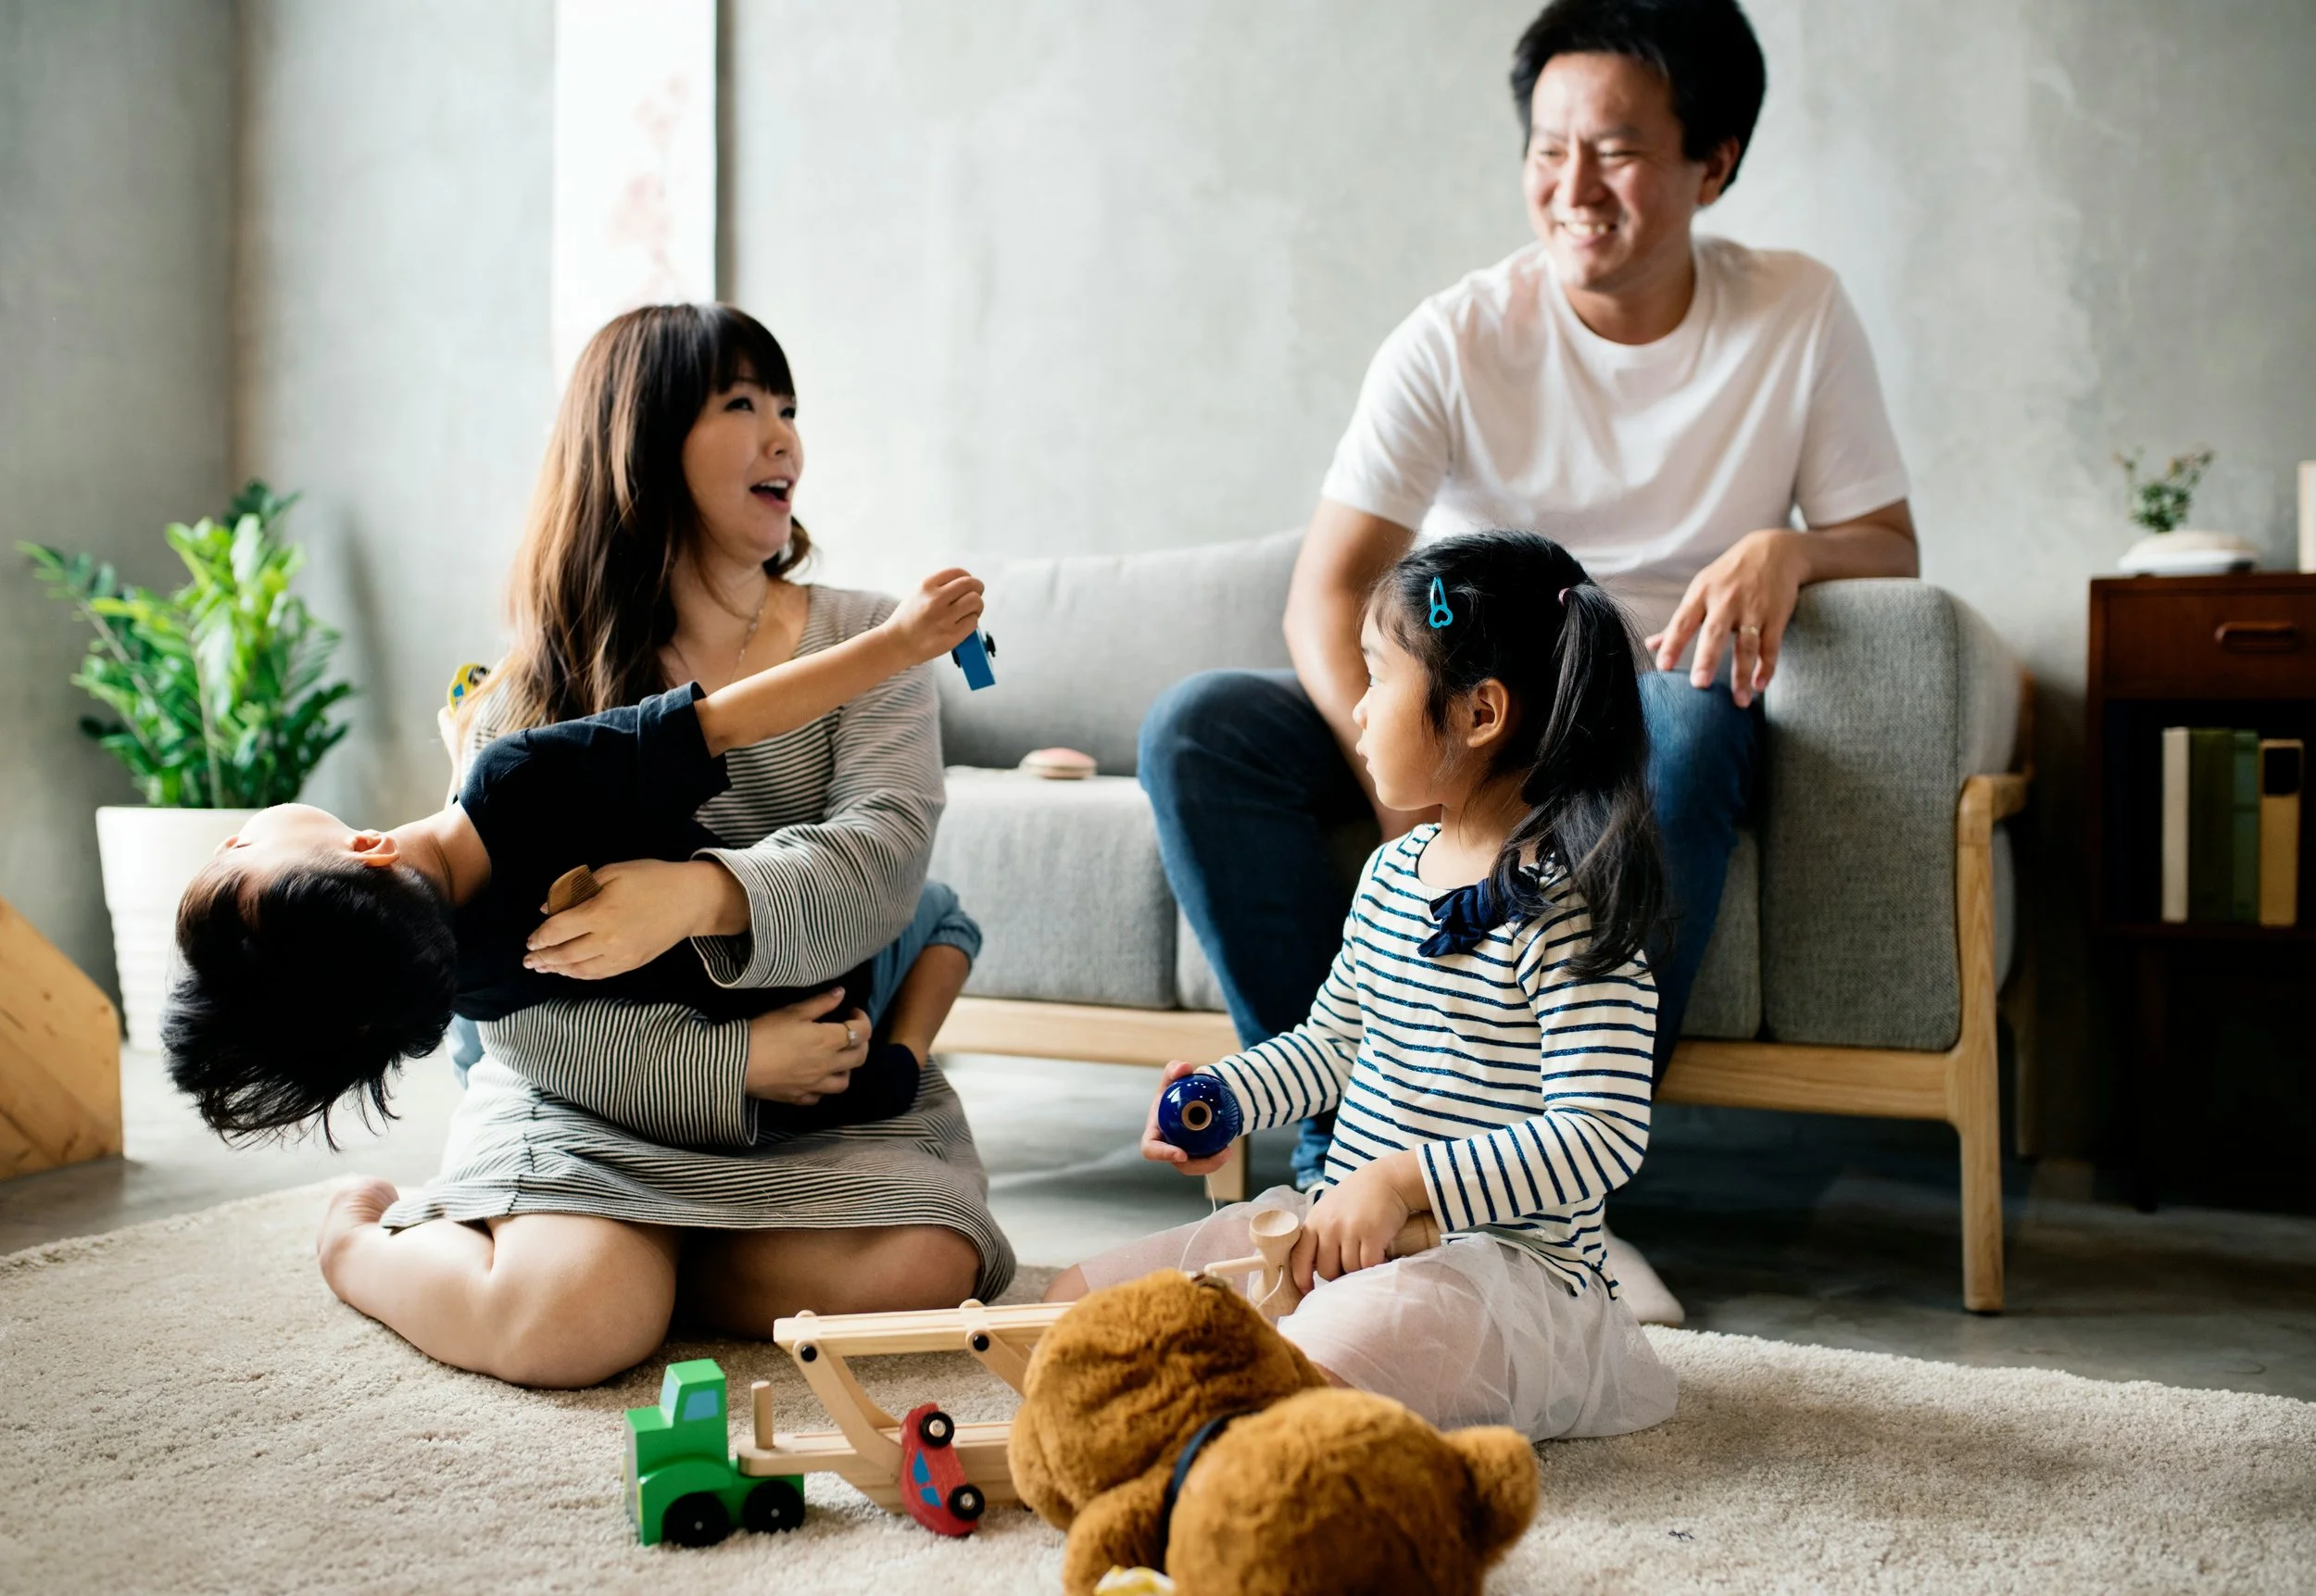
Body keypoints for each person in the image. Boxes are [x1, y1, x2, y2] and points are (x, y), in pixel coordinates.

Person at [1139, 0, 1917, 1320]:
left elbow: (1887, 544)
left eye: (1614, 150)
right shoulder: (1458, 334)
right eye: (1548, 148)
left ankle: (1554, 1214)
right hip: (1452, 714)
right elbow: (1325, 593)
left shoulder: (1795, 311)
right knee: (1198, 724)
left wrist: (1788, 552)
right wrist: (1424, 789)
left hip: (1636, 712)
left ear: (1711, 162)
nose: (1572, 187)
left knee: (1695, 717)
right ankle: (1349, 1171)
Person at [308, 303, 1011, 1389]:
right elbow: (518, 1018)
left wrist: (700, 897)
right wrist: (727, 1063)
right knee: (563, 1325)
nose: (784, 435)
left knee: (927, 1266)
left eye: (786, 407)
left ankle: (658, 1260)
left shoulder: (870, 640)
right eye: (741, 405)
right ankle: (362, 1243)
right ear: (639, 446)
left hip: (802, 1106)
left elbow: (883, 862)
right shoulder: (524, 702)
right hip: (592, 1099)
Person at [1052, 533, 1677, 1441]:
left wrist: (1403, 1181)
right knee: (1081, 1306)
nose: (1356, 709)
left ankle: (1212, 1447)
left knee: (1288, 1380)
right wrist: (1227, 1096)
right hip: (1341, 1241)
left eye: (1379, 677)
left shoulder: (1574, 904)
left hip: (1501, 1281)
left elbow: (1601, 1134)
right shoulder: (1392, 875)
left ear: (1479, 713)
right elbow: (1333, 1047)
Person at [165, 569, 988, 1145]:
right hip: (810, 979)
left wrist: (459, 756)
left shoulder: (465, 984)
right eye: (237, 851)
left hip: (743, 1068)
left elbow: (469, 872)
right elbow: (731, 719)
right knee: (944, 913)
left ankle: (885, 1068)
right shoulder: (520, 777)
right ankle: (905, 1056)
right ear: (370, 848)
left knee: (478, 1059)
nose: (233, 833)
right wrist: (896, 644)